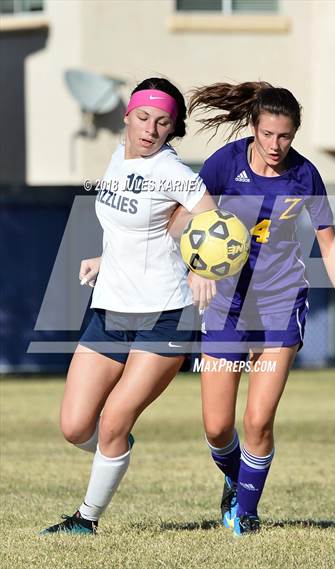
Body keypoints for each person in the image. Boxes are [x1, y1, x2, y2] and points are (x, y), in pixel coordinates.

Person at [186, 82, 335, 536]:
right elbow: (186, 216)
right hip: (227, 307)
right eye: (267, 134)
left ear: (294, 134)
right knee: (216, 427)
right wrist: (197, 265)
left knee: (258, 419)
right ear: (254, 128)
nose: (275, 145)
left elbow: (327, 240)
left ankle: (246, 512)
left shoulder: (304, 174)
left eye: (284, 136)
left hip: (280, 304)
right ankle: (236, 480)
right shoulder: (225, 163)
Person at [40, 77, 215, 535]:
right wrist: (106, 258)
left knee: (113, 418)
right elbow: (136, 225)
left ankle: (85, 519)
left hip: (165, 314)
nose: (150, 130)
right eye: (143, 118)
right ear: (127, 116)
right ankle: (114, 449)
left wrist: (201, 268)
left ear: (172, 129)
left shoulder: (172, 169)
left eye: (162, 123)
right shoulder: (118, 158)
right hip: (110, 308)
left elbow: (213, 218)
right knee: (76, 426)